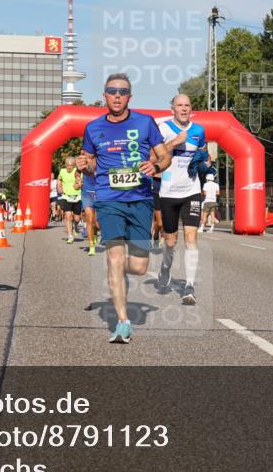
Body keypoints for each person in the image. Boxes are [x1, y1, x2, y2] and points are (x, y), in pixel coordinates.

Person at [77, 73, 171, 344]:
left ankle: (118, 270)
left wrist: (155, 166)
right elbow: (92, 164)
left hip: (140, 199)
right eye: (112, 91)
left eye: (122, 91)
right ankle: (122, 322)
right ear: (104, 95)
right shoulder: (93, 128)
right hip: (109, 200)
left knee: (140, 267)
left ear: (130, 97)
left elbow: (165, 156)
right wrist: (87, 166)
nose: (117, 95)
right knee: (114, 258)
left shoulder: (145, 122)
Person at [155, 93, 207, 305]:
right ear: (172, 109)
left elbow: (204, 153)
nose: (184, 108)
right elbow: (154, 157)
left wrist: (204, 161)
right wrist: (173, 143)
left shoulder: (198, 130)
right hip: (168, 191)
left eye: (187, 105)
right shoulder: (163, 129)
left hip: (192, 190)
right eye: (180, 105)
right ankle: (165, 268)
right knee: (170, 240)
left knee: (191, 237)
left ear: (190, 109)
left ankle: (189, 286)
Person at [58, 156, 83, 244]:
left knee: (77, 218)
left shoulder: (78, 172)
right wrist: (59, 187)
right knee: (68, 216)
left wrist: (78, 185)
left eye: (71, 165)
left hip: (77, 197)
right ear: (65, 165)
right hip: (66, 197)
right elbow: (59, 180)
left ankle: (75, 226)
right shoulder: (62, 171)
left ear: (74, 165)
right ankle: (70, 235)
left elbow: (80, 183)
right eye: (67, 165)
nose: (69, 167)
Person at [81, 168, 99, 256]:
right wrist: (78, 180)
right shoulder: (85, 160)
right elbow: (76, 172)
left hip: (100, 193)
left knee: (97, 224)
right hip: (87, 193)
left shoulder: (103, 160)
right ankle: (91, 246)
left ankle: (95, 234)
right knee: (90, 219)